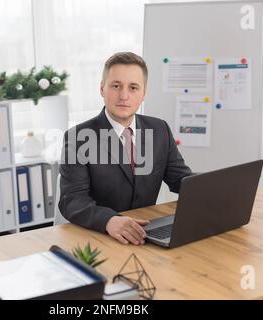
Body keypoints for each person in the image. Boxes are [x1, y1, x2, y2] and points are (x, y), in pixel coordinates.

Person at [59, 52, 192, 245]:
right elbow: (72, 200)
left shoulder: (159, 129)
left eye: (133, 87)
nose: (124, 95)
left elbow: (180, 178)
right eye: (116, 86)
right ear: (102, 88)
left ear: (144, 93)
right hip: (100, 237)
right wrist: (109, 220)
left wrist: (215, 189)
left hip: (146, 235)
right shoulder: (78, 137)